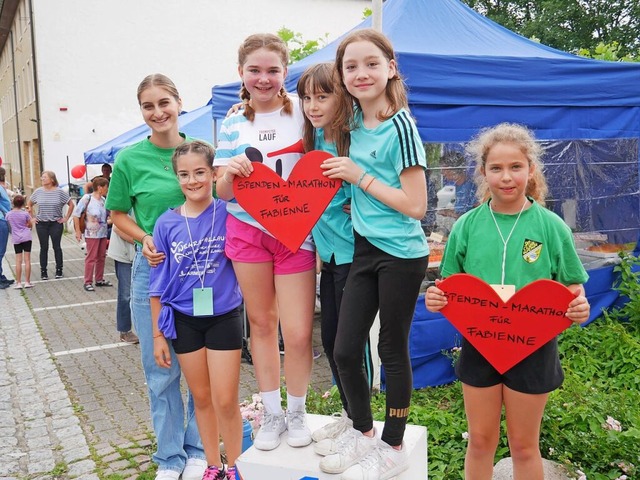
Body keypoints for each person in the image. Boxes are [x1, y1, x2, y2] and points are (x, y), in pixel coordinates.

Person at [425, 123, 590, 480]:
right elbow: (450, 287)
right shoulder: (467, 225)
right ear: (482, 172)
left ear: (531, 169)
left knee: (524, 446)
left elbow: (573, 288)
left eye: (516, 166)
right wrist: (437, 298)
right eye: (496, 168)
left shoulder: (551, 227)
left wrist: (579, 305)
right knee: (481, 441)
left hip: (533, 347)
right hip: (480, 344)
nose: (506, 177)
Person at [317, 29, 430, 480]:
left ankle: (393, 445)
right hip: (362, 249)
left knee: (391, 348)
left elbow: (416, 205)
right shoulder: (352, 126)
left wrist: (358, 179)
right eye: (351, 66)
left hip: (402, 254)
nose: (361, 73)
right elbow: (310, 108)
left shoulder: (401, 126)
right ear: (343, 76)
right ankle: (362, 431)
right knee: (345, 350)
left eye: (370, 63)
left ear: (391, 68)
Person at [214, 32, 315, 451]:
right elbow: (221, 192)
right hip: (246, 231)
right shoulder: (234, 120)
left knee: (297, 332)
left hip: (295, 232)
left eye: (272, 70)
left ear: (285, 72)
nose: (263, 78)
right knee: (260, 324)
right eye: (254, 70)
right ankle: (271, 414)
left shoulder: (304, 116)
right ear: (241, 73)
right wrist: (231, 173)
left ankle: (297, 411)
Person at [105, 73, 206, 480]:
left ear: (179, 103)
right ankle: (170, 458)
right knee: (161, 368)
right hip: (155, 271)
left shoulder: (203, 152)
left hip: (202, 272)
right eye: (148, 106)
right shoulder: (130, 159)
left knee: (202, 361)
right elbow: (117, 215)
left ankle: (198, 446)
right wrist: (144, 237)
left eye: (164, 102)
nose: (157, 112)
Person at [151, 140, 243, 480]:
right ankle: (213, 465)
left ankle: (235, 466)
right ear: (176, 177)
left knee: (225, 399)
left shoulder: (228, 211)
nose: (193, 181)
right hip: (184, 322)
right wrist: (158, 335)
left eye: (200, 172)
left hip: (224, 317)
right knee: (201, 398)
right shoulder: (166, 224)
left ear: (213, 172)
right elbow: (157, 285)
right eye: (184, 174)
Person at [296, 63, 374, 446]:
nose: (313, 105)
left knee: (351, 347)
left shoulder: (355, 138)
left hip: (357, 257)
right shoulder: (312, 142)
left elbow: (383, 179)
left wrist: (358, 198)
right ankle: (350, 414)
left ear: (343, 95)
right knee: (330, 344)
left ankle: (364, 425)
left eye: (323, 96)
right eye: (307, 97)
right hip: (328, 259)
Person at [27, 170, 75, 280]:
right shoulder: (38, 192)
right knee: (43, 247)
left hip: (55, 224)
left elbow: (71, 204)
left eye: (45, 177)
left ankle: (59, 270)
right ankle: (43, 271)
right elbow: (29, 204)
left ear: (52, 179)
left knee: (56, 247)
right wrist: (32, 217)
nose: (42, 179)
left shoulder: (60, 192)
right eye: (42, 177)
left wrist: (66, 218)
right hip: (41, 224)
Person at [73, 177, 112, 292]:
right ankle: (88, 281)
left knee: (101, 256)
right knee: (91, 257)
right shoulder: (87, 198)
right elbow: (76, 214)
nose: (107, 189)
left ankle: (99, 279)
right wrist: (78, 231)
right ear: (100, 188)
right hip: (91, 233)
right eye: (106, 187)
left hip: (102, 232)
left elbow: (108, 215)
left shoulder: (103, 200)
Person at [107, 217, 139, 344]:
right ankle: (125, 331)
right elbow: (117, 228)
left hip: (138, 253)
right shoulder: (128, 201)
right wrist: (141, 241)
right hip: (124, 255)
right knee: (125, 294)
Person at [5, 194, 34, 289]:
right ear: (23, 204)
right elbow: (29, 225)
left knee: (18, 260)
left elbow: (7, 223)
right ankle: (27, 282)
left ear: (13, 203)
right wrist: (29, 214)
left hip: (16, 238)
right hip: (26, 237)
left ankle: (18, 282)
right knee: (27, 260)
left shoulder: (9, 214)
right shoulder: (25, 214)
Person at [439, 150, 477, 219]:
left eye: (444, 169)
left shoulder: (472, 187)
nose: (442, 173)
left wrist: (450, 213)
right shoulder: (455, 186)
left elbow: (477, 215)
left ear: (454, 169)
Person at [0, 166, 12, 289]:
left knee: (1, 251)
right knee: (0, 251)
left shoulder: (2, 187)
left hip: (3, 219)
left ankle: (1, 276)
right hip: (1, 220)